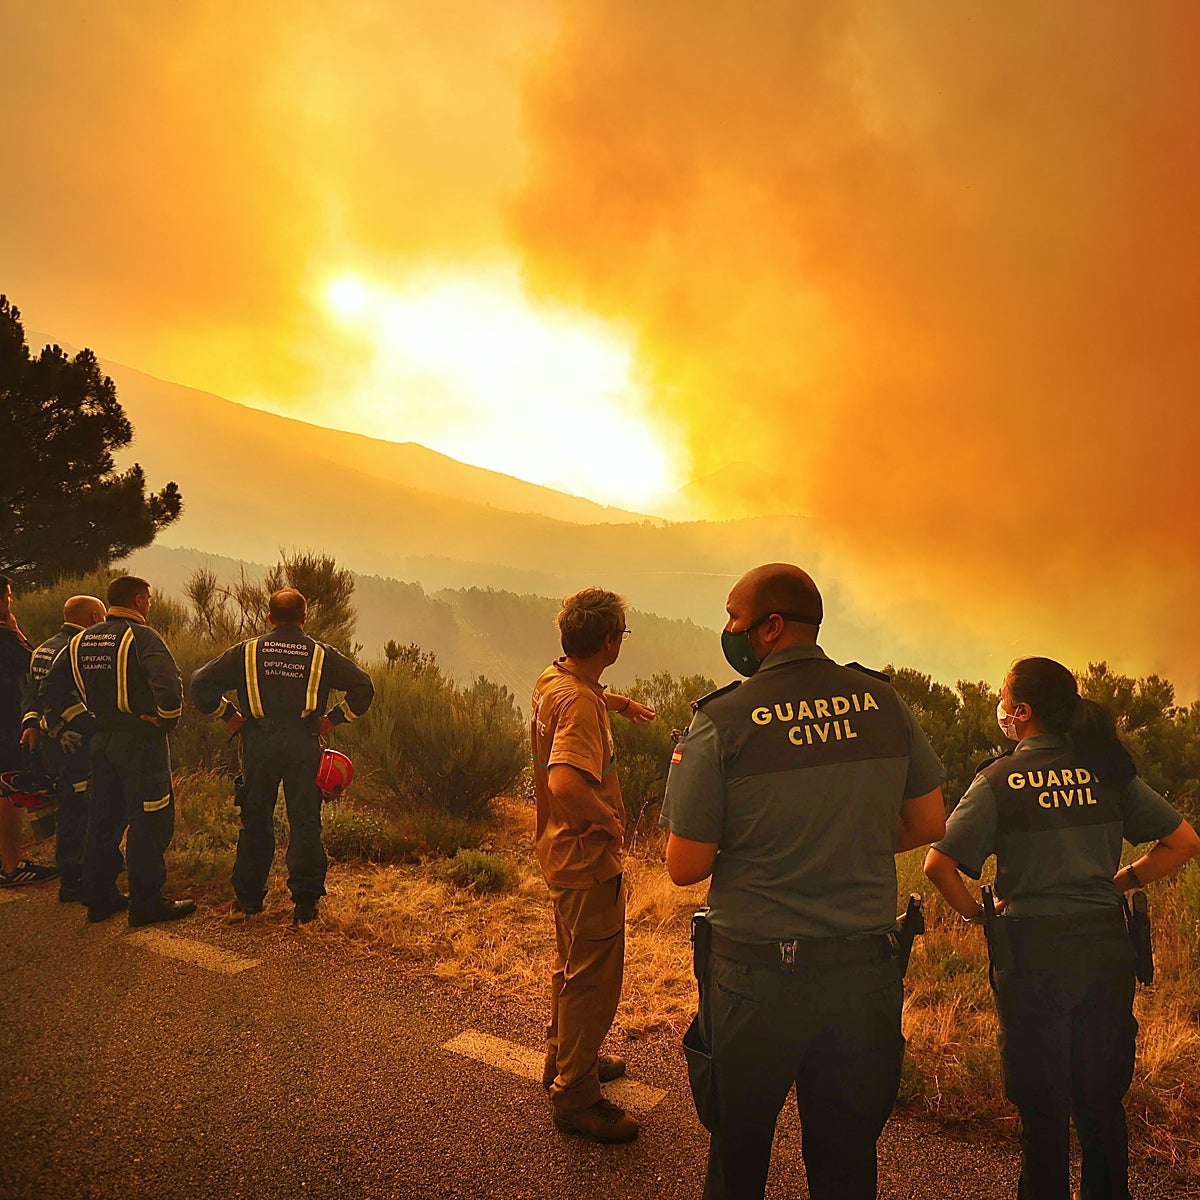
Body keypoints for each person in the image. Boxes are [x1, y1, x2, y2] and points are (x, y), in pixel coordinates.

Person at [660, 563, 946, 1200]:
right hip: (863, 974)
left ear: (771, 626)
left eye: (734, 617)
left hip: (754, 981)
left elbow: (685, 865)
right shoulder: (881, 701)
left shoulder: (722, 720)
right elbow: (928, 820)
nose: (728, 629)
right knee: (846, 1168)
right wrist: (855, 842)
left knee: (737, 1162)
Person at [924, 656, 1200, 1200]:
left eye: (1004, 701)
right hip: (1104, 946)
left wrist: (979, 914)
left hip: (1032, 954)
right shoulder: (1106, 769)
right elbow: (1184, 842)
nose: (1000, 710)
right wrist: (1119, 882)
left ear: (1021, 713)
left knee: (1042, 1105)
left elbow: (939, 865)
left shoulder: (999, 779)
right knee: (1100, 1101)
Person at [530, 587, 655, 1144]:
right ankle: (576, 1095)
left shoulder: (556, 681)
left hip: (558, 852)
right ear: (609, 641)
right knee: (595, 980)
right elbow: (563, 781)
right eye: (621, 634)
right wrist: (606, 820)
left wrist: (620, 704)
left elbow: (580, 699)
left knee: (570, 964)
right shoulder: (579, 701)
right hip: (587, 859)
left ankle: (562, 1059)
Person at [189, 587, 375, 925]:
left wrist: (229, 715)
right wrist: (331, 721)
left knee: (255, 819)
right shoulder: (320, 654)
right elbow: (364, 687)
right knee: (305, 821)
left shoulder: (246, 652)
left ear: (270, 617)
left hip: (258, 742)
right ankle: (305, 903)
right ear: (305, 618)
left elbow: (200, 683)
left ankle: (248, 899)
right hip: (303, 741)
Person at [42, 575, 195, 926]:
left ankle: (99, 898)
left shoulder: (80, 641)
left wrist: (85, 722)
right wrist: (164, 722)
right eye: (150, 599)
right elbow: (170, 690)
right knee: (151, 821)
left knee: (103, 819)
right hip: (141, 745)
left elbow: (51, 689)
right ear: (140, 600)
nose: (151, 604)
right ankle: (147, 902)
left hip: (101, 743)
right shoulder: (142, 637)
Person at [19, 594, 108, 901]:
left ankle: (75, 871)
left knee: (70, 804)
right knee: (80, 806)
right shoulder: (78, 648)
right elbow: (61, 697)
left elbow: (32, 694)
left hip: (54, 744)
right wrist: (95, 727)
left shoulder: (43, 648)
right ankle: (75, 877)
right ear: (96, 618)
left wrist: (33, 724)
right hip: (77, 744)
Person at [0, 573, 59, 887]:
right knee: (8, 792)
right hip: (5, 725)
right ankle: (11, 868)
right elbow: (39, 667)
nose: (11, 602)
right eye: (7, 596)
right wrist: (17, 633)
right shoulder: (5, 638)